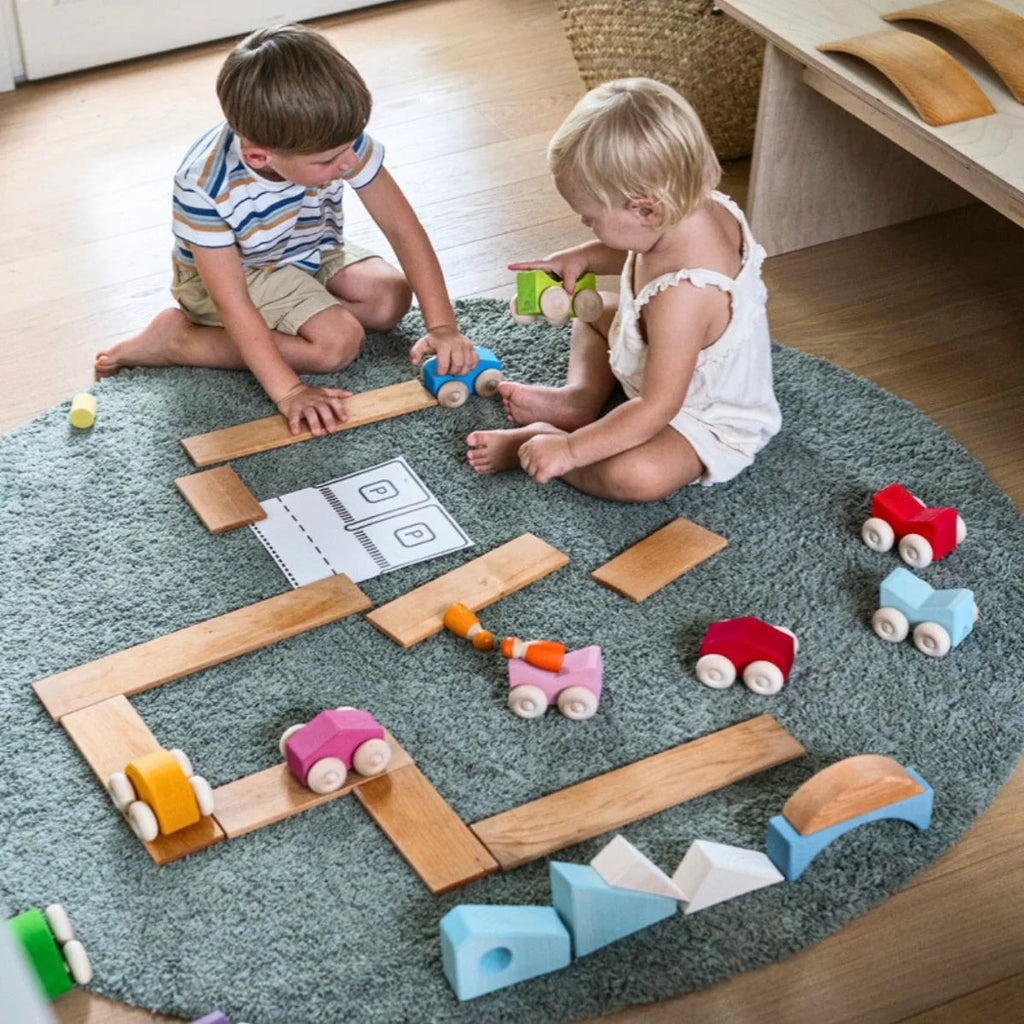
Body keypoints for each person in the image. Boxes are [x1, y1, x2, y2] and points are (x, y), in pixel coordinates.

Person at [95, 23, 476, 435]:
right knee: (337, 344)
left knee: (389, 299)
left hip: (306, 247)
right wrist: (289, 391)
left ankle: (298, 316)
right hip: (235, 276)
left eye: (352, 145)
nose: (349, 162)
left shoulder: (334, 141)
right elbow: (233, 300)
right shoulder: (204, 186)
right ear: (260, 157)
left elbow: (402, 228)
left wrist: (442, 327)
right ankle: (179, 342)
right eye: (330, 161)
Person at [466, 78, 781, 501]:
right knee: (591, 310)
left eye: (590, 218)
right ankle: (579, 400)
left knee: (632, 475)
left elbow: (657, 408)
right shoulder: (690, 208)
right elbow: (644, 252)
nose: (584, 224)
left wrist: (570, 450)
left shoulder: (683, 298)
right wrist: (584, 256)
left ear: (645, 209)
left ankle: (541, 438)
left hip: (695, 414)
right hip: (663, 357)